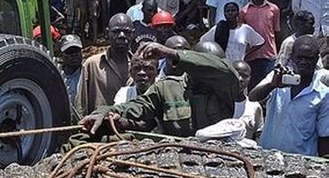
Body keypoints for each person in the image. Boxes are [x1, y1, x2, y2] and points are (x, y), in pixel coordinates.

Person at [79, 41, 239, 137]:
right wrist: (108, 110)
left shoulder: (226, 87)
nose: (209, 74)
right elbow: (139, 106)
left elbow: (225, 70)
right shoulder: (167, 87)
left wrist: (172, 53)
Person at [249, 35, 328, 157]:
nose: (303, 62)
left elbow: (324, 136)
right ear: (292, 57)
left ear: (316, 59)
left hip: (301, 163)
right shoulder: (277, 78)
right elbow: (253, 97)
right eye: (299, 58)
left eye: (309, 58)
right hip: (268, 157)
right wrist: (272, 85)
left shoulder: (323, 94)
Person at [76, 14, 133, 116]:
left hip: (132, 129)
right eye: (116, 31)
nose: (122, 36)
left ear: (133, 34)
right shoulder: (93, 65)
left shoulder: (140, 67)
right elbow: (81, 106)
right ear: (107, 33)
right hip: (99, 128)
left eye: (127, 32)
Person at [240, 0, 280, 88]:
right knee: (252, 86)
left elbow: (276, 32)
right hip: (251, 55)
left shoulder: (274, 9)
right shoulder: (244, 11)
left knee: (269, 86)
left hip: (269, 54)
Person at [59, 35, 83, 109]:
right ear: (61, 55)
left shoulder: (88, 73)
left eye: (76, 51)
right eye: (69, 52)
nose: (74, 55)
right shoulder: (57, 77)